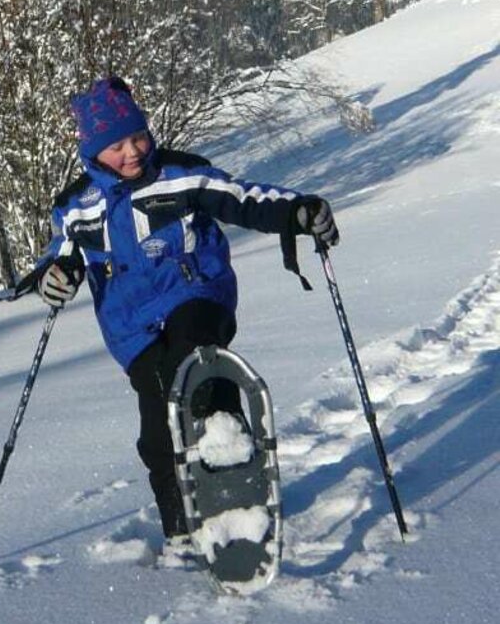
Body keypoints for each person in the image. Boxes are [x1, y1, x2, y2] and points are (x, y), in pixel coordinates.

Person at [36, 76, 339, 541]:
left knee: (196, 368)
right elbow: (62, 257)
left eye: (137, 137)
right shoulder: (76, 207)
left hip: (196, 297)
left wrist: (297, 212)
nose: (133, 151)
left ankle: (232, 469)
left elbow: (245, 200)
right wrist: (54, 277)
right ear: (94, 151)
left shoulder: (181, 175)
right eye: (117, 146)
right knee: (158, 438)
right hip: (132, 329)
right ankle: (181, 528)